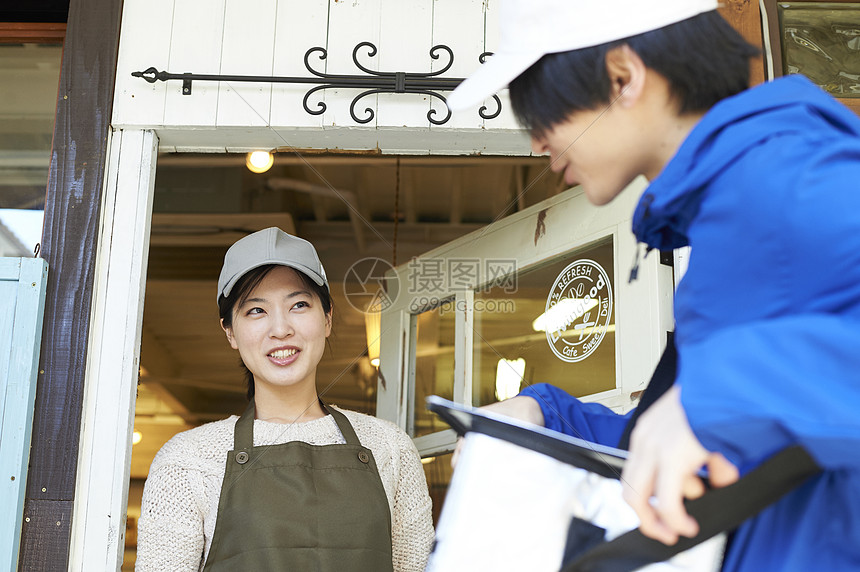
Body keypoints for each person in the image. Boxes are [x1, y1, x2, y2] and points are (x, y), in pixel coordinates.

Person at [447, 1, 860, 570]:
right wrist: (546, 415)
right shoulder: (726, 207)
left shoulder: (787, 171)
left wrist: (714, 393)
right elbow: (731, 444)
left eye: (543, 115)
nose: (538, 145)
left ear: (623, 77)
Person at [136, 227, 434, 571]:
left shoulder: (389, 447)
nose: (280, 329)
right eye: (256, 311)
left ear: (327, 318)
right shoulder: (187, 460)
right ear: (230, 332)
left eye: (299, 305)